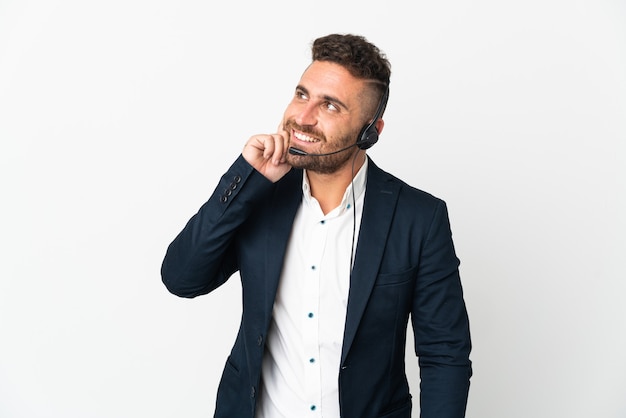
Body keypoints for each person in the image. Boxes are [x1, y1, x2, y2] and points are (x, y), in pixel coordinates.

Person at [161, 33, 472, 418]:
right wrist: (245, 178)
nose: (303, 117)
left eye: (330, 105)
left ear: (370, 132)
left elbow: (445, 353)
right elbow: (181, 278)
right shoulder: (260, 195)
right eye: (302, 94)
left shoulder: (419, 219)